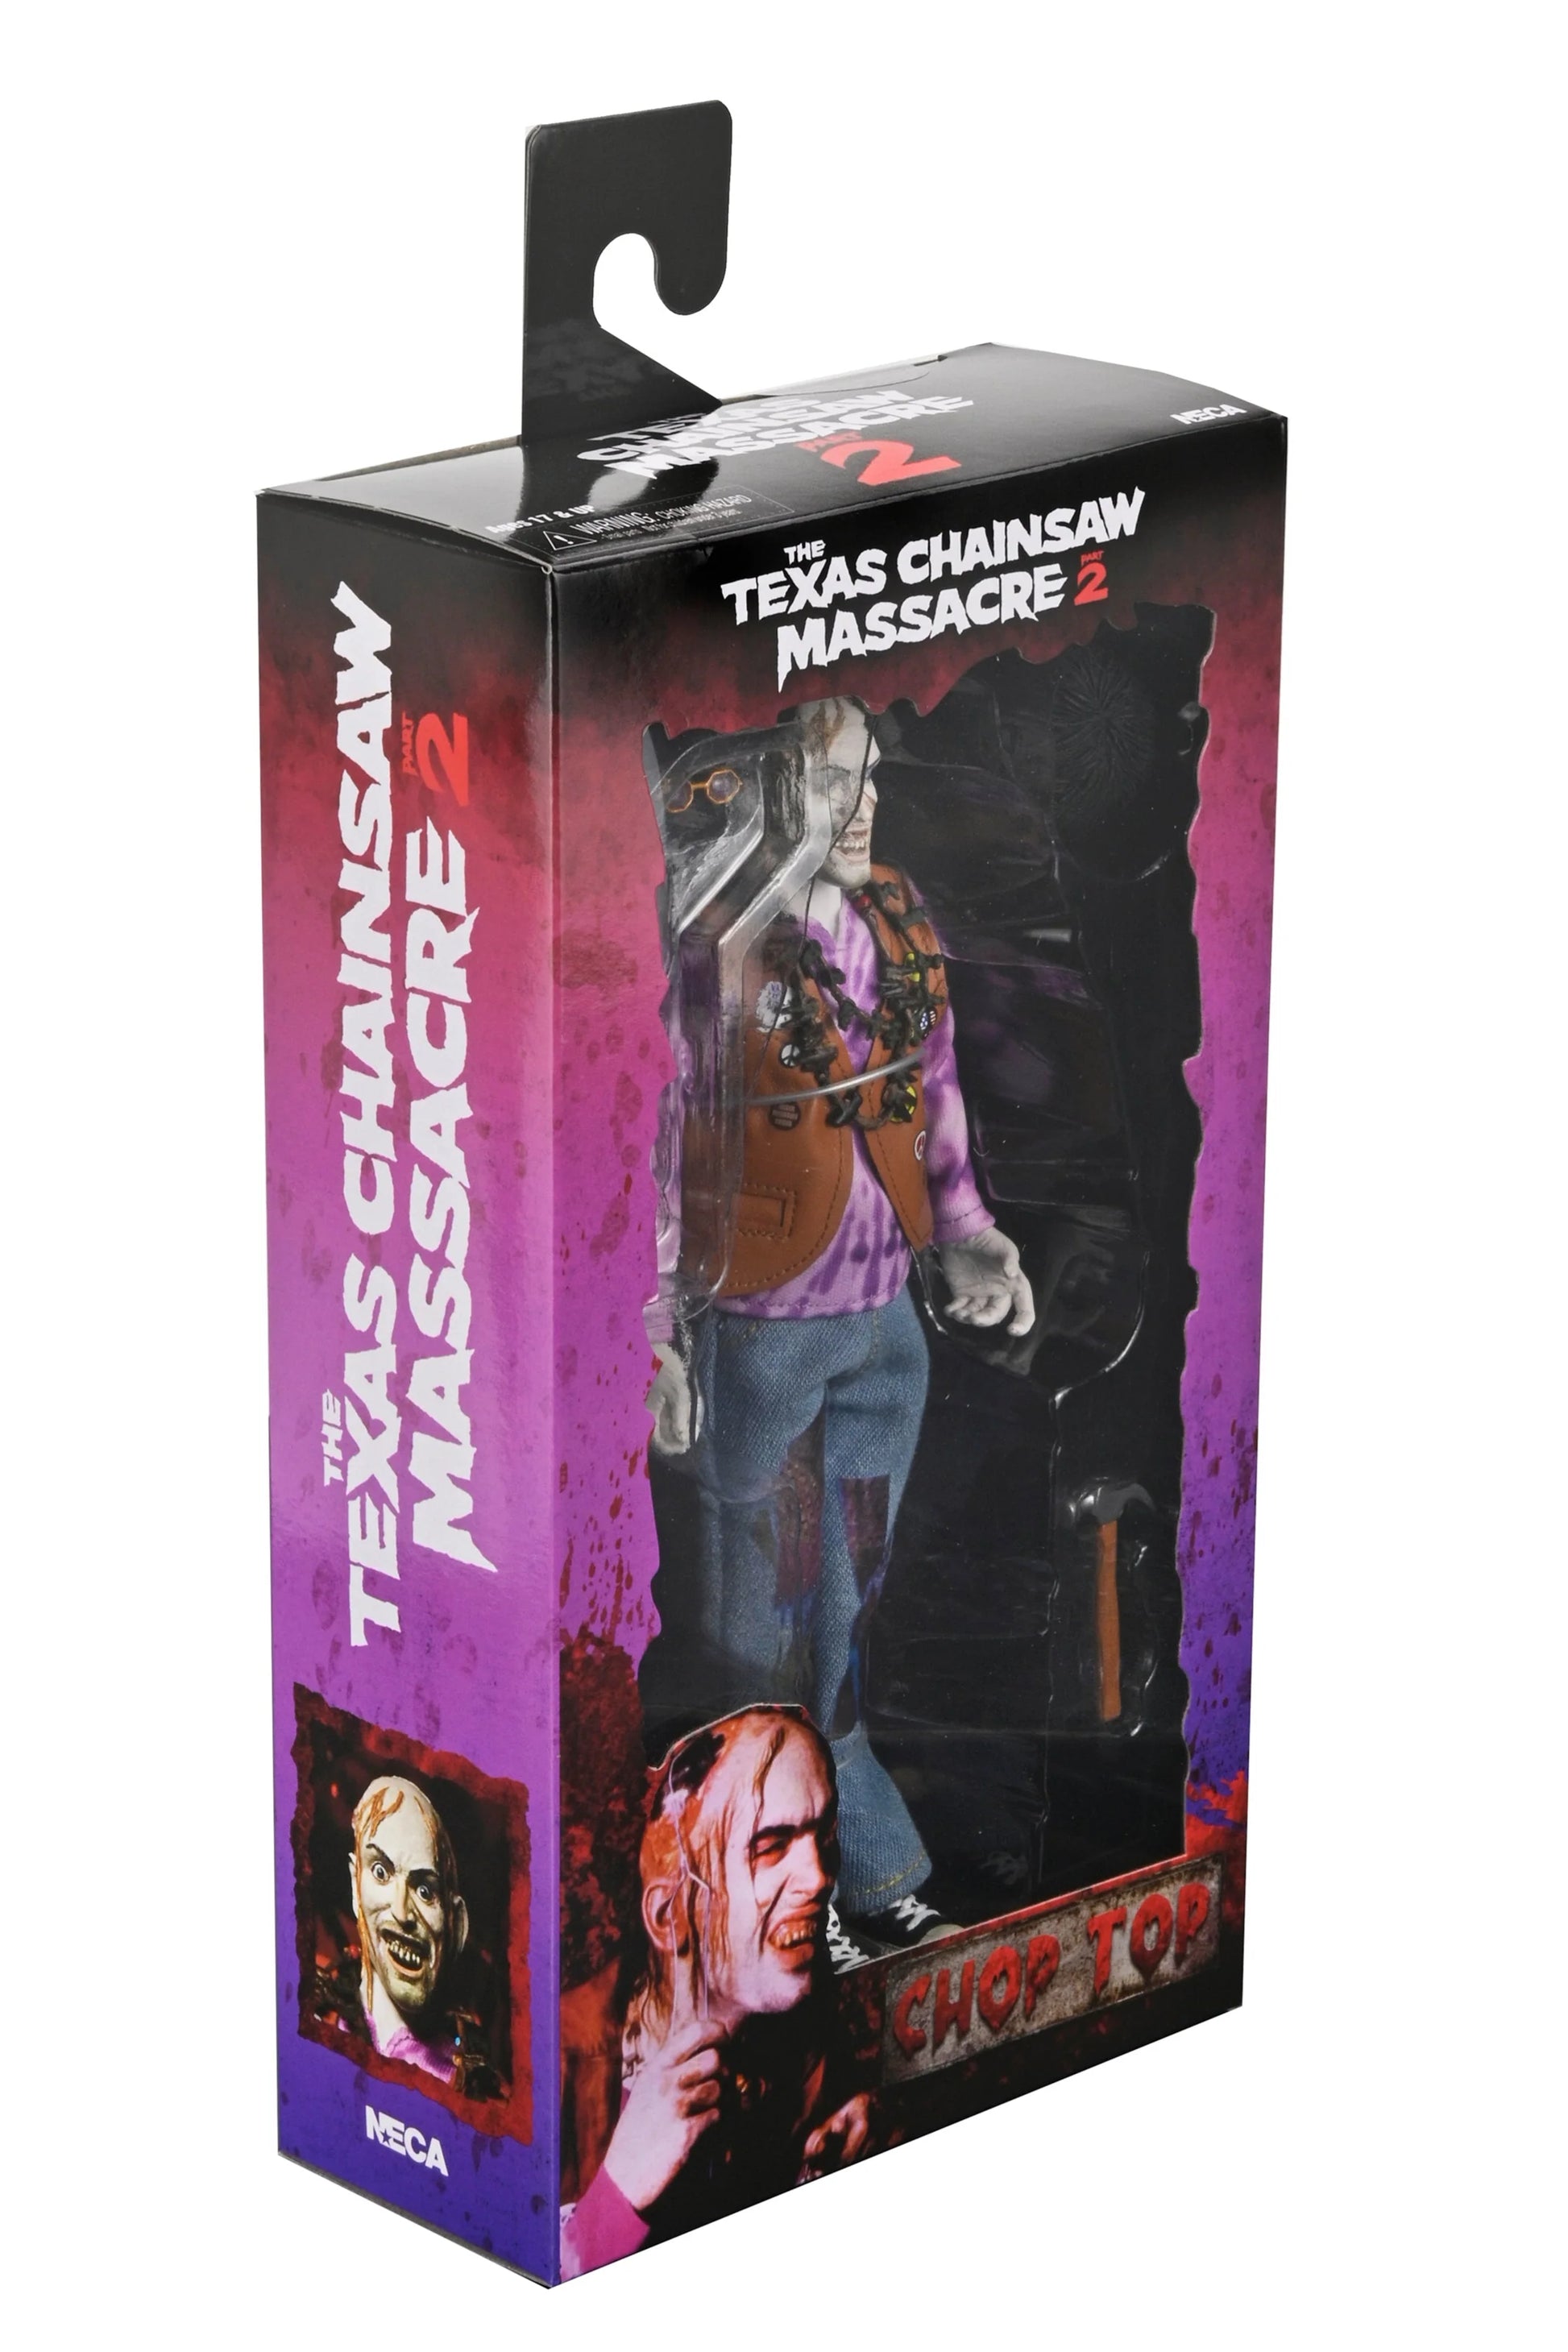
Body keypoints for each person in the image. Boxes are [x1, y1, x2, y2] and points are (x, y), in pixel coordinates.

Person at [645, 699, 1035, 1950]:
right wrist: (655, 1326)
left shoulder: (894, 920)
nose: (860, 805)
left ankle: (864, 1869)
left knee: (846, 1607)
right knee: (755, 1623)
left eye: (866, 777)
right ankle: (761, 1896)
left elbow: (932, 1085)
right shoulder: (712, 942)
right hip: (762, 1326)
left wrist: (967, 1227)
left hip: (883, 1329)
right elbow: (654, 1128)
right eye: (827, 781)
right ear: (757, 791)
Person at [561, 1707, 873, 2277]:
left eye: (822, 1834)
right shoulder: (560, 2056)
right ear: (669, 1912)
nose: (818, 1878)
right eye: (770, 1846)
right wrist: (619, 2187)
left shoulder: (802, 2014)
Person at [346, 1775, 471, 2084]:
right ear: (355, 1885)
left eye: (426, 1892)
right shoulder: (323, 2018)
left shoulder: (463, 2080)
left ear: (457, 1926)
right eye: (381, 1872)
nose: (401, 1912)